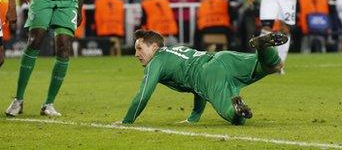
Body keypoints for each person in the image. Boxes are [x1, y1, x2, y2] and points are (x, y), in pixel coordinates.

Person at [120, 29, 287, 125]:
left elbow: (143, 95)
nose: (136, 54)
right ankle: (263, 46)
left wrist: (126, 121)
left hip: (209, 74)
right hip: (223, 58)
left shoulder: (156, 62)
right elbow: (196, 87)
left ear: (154, 46)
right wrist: (193, 118)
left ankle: (237, 109)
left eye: (140, 48)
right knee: (273, 65)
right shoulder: (175, 50)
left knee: (236, 119)